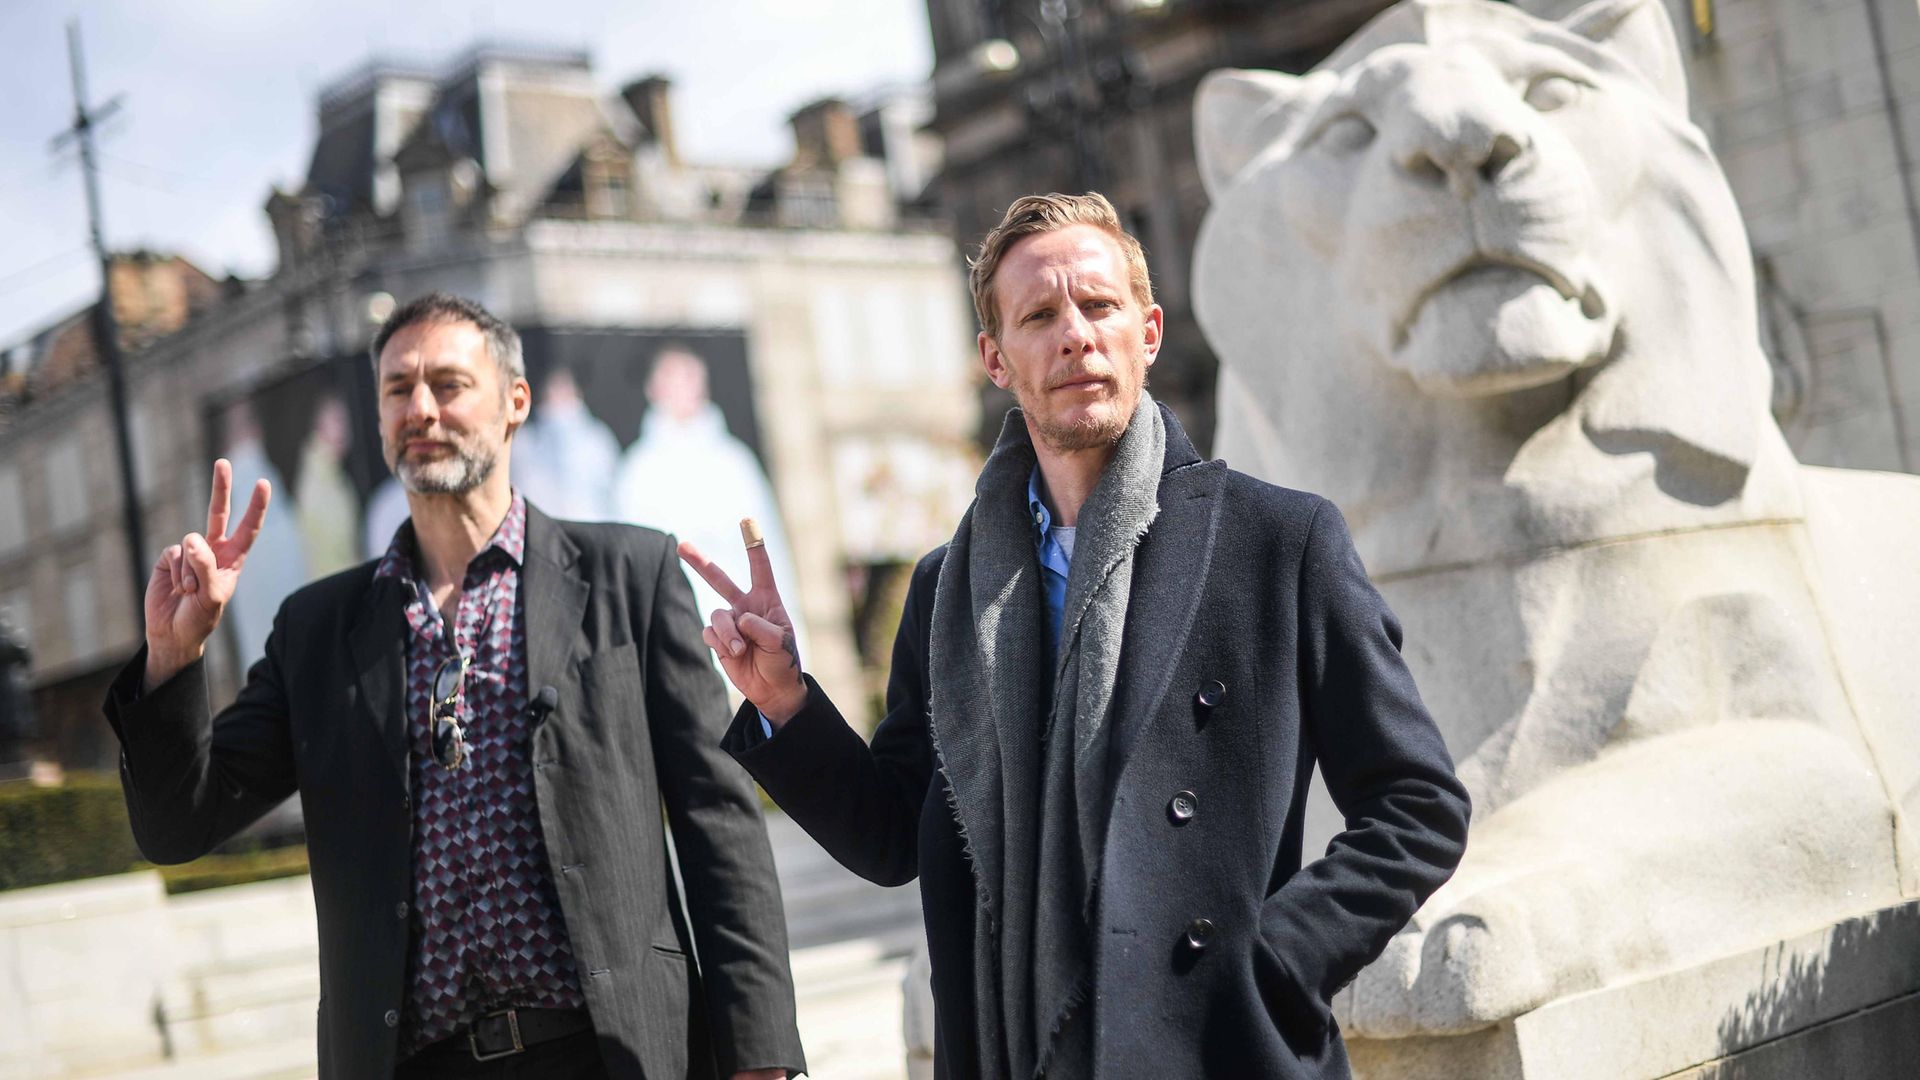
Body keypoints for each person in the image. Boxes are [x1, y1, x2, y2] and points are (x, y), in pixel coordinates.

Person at [681, 193, 1470, 1080]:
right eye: (1040, 315)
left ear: (1149, 331)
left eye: (1099, 306)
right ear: (996, 358)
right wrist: (785, 700)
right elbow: (895, 838)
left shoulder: (1278, 543)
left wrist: (1275, 962)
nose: (1076, 335)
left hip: (1221, 1052)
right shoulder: (948, 590)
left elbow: (1417, 805)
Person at [104, 292, 805, 1080]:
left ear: (515, 402)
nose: (421, 409)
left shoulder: (629, 576)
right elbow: (177, 826)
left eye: (448, 383)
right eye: (398, 390)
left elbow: (719, 825)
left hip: (614, 1050)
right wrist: (173, 657)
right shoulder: (318, 630)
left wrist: (761, 1055)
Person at [612, 346, 806, 668]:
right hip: (678, 636)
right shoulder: (638, 471)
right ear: (653, 388)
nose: (683, 388)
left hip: (749, 630)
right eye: (673, 379)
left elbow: (768, 546)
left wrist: (790, 629)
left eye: (690, 378)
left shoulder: (735, 461)